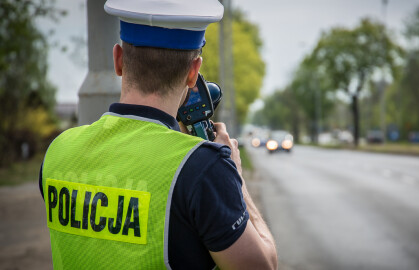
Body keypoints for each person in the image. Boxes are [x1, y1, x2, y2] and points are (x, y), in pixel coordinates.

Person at [39, 0, 278, 269]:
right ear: (193, 72)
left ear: (118, 60)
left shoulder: (58, 151)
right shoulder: (203, 168)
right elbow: (263, 265)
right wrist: (236, 177)